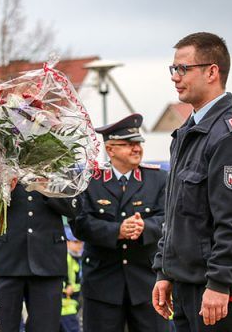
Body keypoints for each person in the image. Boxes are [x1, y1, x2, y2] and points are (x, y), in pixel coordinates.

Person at [152, 32, 232, 332]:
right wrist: (164, 271)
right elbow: (175, 213)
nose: (175, 77)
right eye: (173, 69)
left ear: (212, 71)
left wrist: (219, 283)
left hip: (216, 289)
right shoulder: (189, 132)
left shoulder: (231, 137)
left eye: (183, 69)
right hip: (186, 282)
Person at [70, 113, 170, 332]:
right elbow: (80, 224)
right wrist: (117, 231)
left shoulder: (158, 179)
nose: (136, 149)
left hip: (147, 283)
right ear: (110, 149)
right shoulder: (90, 181)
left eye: (138, 143)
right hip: (102, 284)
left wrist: (146, 227)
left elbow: (170, 221)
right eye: (128, 144)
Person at [0, 182, 78, 332]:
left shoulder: (60, 163)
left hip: (48, 258)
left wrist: (48, 186)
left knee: (46, 327)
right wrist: (0, 187)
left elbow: (75, 208)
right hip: (5, 256)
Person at [60, 225, 83, 332]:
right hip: (65, 308)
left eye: (80, 242)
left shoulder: (76, 258)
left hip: (70, 307)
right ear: (67, 242)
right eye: (75, 242)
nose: (80, 245)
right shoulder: (65, 258)